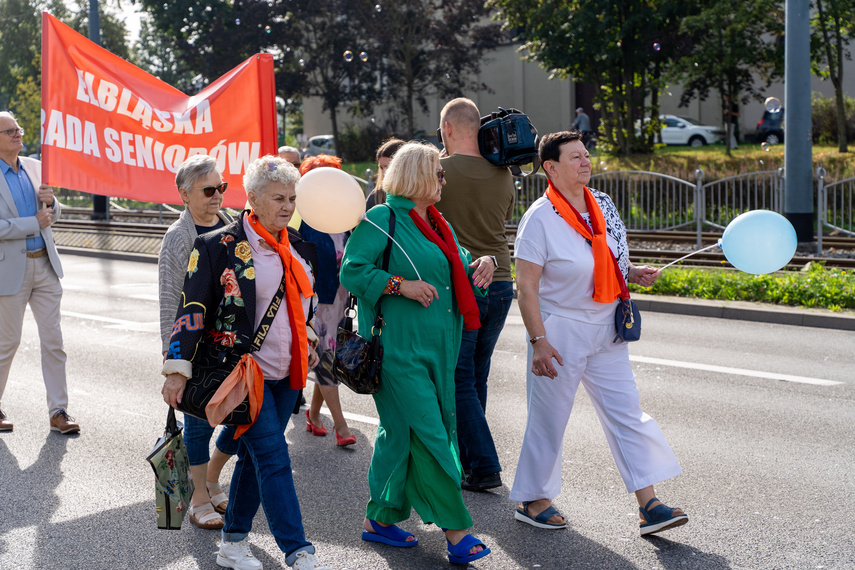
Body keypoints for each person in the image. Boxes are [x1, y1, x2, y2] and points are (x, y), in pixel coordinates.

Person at [510, 131, 687, 536]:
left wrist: (630, 272)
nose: (585, 162)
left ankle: (650, 505)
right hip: (560, 329)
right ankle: (534, 499)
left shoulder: (602, 204)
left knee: (627, 413)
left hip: (607, 326)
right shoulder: (538, 218)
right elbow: (527, 288)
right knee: (550, 418)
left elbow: (607, 257)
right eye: (575, 157)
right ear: (550, 168)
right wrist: (539, 341)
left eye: (586, 155)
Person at [161, 155, 330, 570]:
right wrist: (176, 368)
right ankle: (298, 551)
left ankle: (233, 543)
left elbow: (306, 310)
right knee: (274, 457)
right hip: (243, 374)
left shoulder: (300, 248)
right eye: (278, 199)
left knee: (254, 463)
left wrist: (309, 345)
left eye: (292, 198)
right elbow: (191, 309)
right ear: (253, 198)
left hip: (288, 374)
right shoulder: (216, 246)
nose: (288, 207)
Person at [340, 142, 496, 565]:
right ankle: (458, 532)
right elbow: (351, 270)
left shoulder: (436, 221)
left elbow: (456, 268)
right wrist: (398, 285)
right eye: (439, 174)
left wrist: (481, 264)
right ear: (417, 177)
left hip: (438, 349)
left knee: (399, 434)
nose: (445, 180)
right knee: (430, 434)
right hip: (397, 350)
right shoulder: (382, 218)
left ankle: (380, 518)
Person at [435, 97, 514, 493]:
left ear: (447, 128)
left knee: (458, 377)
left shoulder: (439, 172)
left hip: (464, 283)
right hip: (501, 281)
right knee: (475, 374)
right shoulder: (503, 174)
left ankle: (482, 466)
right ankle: (470, 460)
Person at [158, 154, 239, 530]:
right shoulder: (178, 237)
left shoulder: (234, 224)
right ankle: (199, 497)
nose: (217, 195)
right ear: (184, 194)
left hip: (235, 342)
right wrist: (174, 361)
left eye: (220, 187)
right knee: (199, 422)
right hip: (197, 345)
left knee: (243, 417)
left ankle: (210, 476)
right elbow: (168, 300)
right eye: (208, 190)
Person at [0, 111, 78, 435]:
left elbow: (52, 212)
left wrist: (53, 203)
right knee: (7, 343)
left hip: (45, 264)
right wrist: (34, 222)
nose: (18, 134)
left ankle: (59, 411)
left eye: (18, 128)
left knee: (54, 342)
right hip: (10, 270)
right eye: (9, 131)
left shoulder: (34, 167)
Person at [298, 154, 356, 447]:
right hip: (316, 302)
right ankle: (342, 427)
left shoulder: (342, 217)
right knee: (326, 358)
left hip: (340, 299)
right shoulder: (304, 219)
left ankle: (314, 414)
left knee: (327, 358)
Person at [365, 138, 405, 209]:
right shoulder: (376, 197)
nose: (384, 173)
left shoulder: (423, 195)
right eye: (381, 168)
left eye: (388, 167)